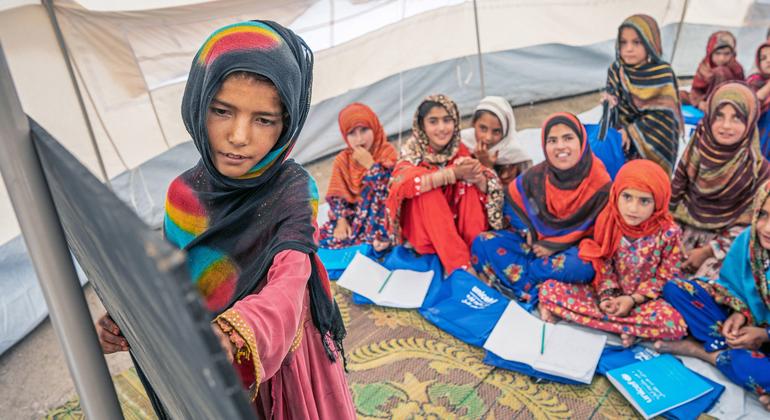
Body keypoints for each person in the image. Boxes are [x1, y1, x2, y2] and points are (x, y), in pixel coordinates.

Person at [96, 20, 355, 419]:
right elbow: (169, 281)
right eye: (222, 111)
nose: (238, 136)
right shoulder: (182, 196)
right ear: (198, 105)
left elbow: (290, 279)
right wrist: (130, 316)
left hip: (279, 363)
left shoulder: (293, 189)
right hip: (208, 372)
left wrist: (237, 332)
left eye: (264, 119)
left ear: (287, 123)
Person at [538, 160, 687, 347]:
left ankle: (619, 325)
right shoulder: (610, 219)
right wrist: (608, 297)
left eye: (644, 201)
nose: (633, 208)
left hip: (644, 302)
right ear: (616, 194)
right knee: (550, 289)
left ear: (658, 202)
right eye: (627, 197)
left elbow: (666, 277)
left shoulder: (669, 233)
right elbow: (603, 263)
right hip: (607, 293)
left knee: (673, 324)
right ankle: (630, 329)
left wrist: (632, 300)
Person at [470, 112, 611, 309]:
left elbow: (601, 236)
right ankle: (543, 290)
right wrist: (531, 234)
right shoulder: (537, 177)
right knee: (483, 242)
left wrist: (554, 246)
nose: (560, 146)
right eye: (552, 140)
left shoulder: (600, 183)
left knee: (582, 267)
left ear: (582, 141)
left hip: (570, 252)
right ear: (545, 146)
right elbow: (514, 203)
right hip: (535, 247)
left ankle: (524, 283)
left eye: (568, 138)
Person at [659, 179, 770, 412]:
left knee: (753, 369)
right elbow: (731, 285)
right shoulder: (749, 240)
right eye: (764, 215)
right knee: (677, 289)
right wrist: (740, 313)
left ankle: (704, 352)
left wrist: (763, 334)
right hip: (742, 324)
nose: (767, 228)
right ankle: (727, 346)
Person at [386, 94, 504, 275]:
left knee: (469, 183)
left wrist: (477, 176)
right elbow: (402, 184)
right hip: (425, 231)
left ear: (455, 122)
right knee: (427, 191)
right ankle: (460, 266)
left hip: (453, 224)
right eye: (433, 121)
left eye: (447, 120)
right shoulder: (411, 152)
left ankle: (477, 249)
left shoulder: (458, 148)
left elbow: (489, 181)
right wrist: (451, 174)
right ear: (422, 125)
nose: (441, 128)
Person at [671, 81, 770, 281]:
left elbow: (752, 225)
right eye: (719, 116)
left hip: (727, 246)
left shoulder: (759, 170)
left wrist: (708, 251)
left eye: (736, 118)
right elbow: (673, 199)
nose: (726, 126)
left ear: (750, 121)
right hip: (680, 234)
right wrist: (671, 238)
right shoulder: (696, 150)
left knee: (705, 293)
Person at [599, 14, 683, 175]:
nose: (628, 48)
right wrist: (609, 101)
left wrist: (631, 132)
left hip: (654, 143)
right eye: (623, 42)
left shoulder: (662, 73)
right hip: (622, 143)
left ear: (650, 42)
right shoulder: (616, 69)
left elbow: (664, 117)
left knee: (647, 184)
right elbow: (614, 96)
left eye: (636, 42)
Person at [319, 103, 397, 251]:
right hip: (354, 215)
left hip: (382, 212)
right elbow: (337, 197)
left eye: (364, 130)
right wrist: (341, 221)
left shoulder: (387, 153)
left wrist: (371, 165)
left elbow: (391, 190)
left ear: (374, 126)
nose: (359, 139)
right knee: (323, 240)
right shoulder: (343, 160)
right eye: (352, 133)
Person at [460, 96, 532, 186]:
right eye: (483, 128)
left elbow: (503, 195)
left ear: (505, 132)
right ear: (473, 124)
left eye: (496, 131)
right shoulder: (462, 141)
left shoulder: (512, 157)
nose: (488, 137)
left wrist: (487, 166)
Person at [681, 31, 745, 111]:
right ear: (710, 53)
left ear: (733, 54)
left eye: (727, 54)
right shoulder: (705, 66)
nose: (722, 58)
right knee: (677, 95)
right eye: (717, 53)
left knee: (720, 72)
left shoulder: (736, 69)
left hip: (726, 104)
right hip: (704, 98)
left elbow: (740, 94)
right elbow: (696, 90)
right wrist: (699, 103)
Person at [746, 42, 770, 158]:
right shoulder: (753, 81)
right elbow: (753, 103)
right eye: (763, 58)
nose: (768, 61)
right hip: (757, 138)